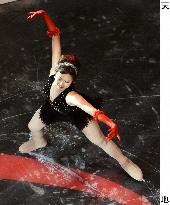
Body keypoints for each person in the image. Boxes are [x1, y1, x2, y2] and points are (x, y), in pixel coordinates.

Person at [19, 10, 143, 181]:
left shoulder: (72, 97)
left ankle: (125, 161)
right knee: (33, 126)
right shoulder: (54, 70)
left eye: (67, 82)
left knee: (100, 141)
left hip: (75, 114)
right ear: (56, 72)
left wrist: (109, 122)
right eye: (60, 79)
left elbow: (90, 109)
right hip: (52, 108)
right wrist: (44, 14)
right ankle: (39, 141)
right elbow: (55, 36)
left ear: (72, 82)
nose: (61, 84)